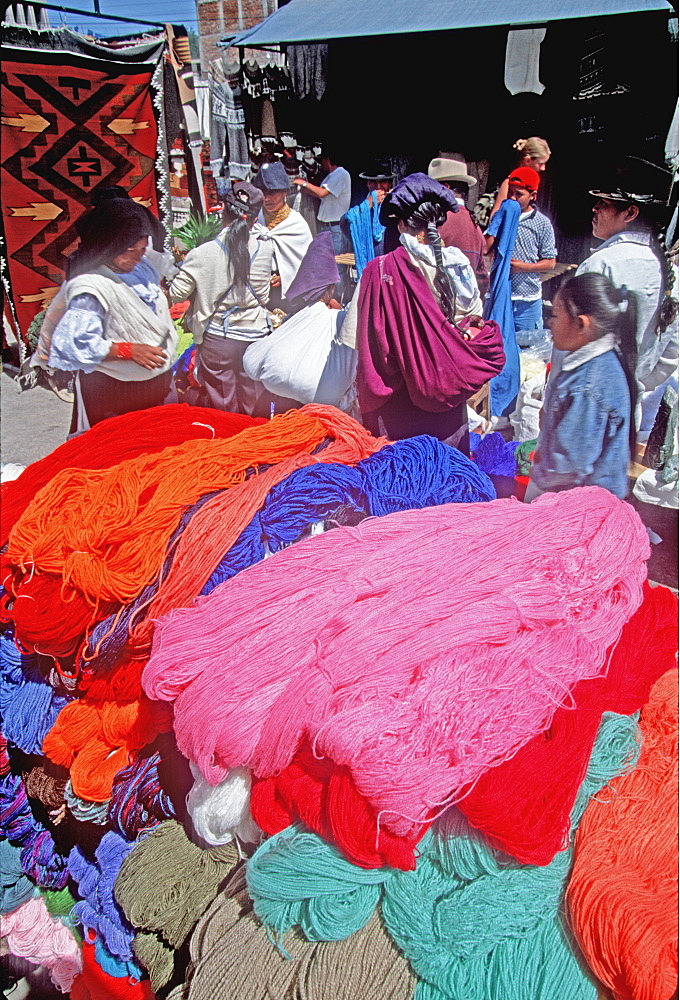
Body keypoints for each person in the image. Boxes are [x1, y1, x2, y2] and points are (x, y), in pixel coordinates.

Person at [339, 173, 505, 452]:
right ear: (438, 221)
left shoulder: (379, 271)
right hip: (446, 397)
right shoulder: (458, 266)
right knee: (447, 475)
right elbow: (473, 323)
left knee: (403, 478)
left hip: (396, 406)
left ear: (401, 222)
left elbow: (354, 340)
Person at [44, 198, 178, 432]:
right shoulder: (90, 287)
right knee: (119, 453)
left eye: (142, 248)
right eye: (130, 251)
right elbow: (75, 345)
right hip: (114, 392)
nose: (138, 256)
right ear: (109, 247)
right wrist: (129, 351)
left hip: (157, 383)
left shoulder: (140, 266)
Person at [574, 157, 678, 419]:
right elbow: (671, 353)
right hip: (630, 410)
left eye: (604, 203)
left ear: (631, 213)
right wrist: (636, 384)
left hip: (585, 412)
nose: (594, 209)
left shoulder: (601, 264)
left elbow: (572, 349)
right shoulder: (671, 273)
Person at [526, 272, 637, 501]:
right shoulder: (598, 363)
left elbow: (568, 464)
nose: (549, 322)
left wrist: (538, 475)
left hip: (581, 506)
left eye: (555, 315)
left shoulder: (588, 385)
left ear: (581, 324)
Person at [168, 181, 273, 416]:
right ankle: (255, 443)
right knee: (253, 399)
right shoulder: (265, 250)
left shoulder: (201, 253)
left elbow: (176, 294)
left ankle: (227, 443)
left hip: (217, 339)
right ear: (255, 219)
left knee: (222, 404)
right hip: (255, 336)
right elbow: (264, 296)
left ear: (223, 212)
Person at [243, 232, 356, 411]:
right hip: (324, 404)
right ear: (332, 288)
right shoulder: (340, 319)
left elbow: (251, 363)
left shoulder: (295, 319)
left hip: (281, 399)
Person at [485, 166, 557, 336]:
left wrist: (524, 267)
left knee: (527, 348)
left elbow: (550, 262)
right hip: (499, 293)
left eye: (519, 194)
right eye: (510, 192)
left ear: (533, 196)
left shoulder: (542, 223)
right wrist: (497, 221)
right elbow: (486, 248)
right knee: (494, 342)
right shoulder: (501, 215)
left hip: (527, 299)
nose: (512, 198)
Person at [250, 160, 312, 309]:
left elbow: (308, 263)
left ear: (284, 192)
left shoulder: (297, 225)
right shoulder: (254, 221)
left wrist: (285, 277)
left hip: (288, 295)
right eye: (263, 193)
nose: (267, 198)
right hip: (257, 292)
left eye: (272, 192)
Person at [428, 157, 489, 298]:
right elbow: (482, 277)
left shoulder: (438, 221)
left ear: (445, 187)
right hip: (466, 305)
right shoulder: (474, 225)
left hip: (439, 304)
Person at [292, 144, 351, 254]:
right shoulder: (331, 176)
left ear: (328, 160)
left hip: (335, 228)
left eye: (322, 160)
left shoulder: (341, 173)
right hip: (326, 227)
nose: (321, 164)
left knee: (337, 265)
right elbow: (318, 194)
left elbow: (322, 193)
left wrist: (303, 182)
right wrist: (303, 189)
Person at [488, 136, 552, 223]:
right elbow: (495, 218)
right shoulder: (509, 183)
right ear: (527, 161)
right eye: (540, 163)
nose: (543, 168)